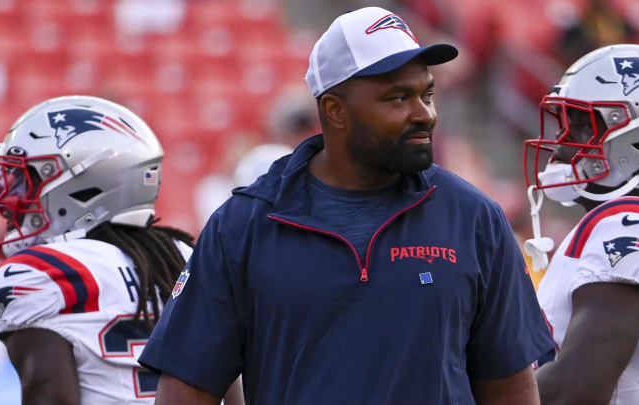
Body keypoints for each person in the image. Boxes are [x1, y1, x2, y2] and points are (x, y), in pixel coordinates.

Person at [139, 6, 554, 405]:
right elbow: (187, 388)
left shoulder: (475, 218)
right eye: (398, 98)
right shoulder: (243, 225)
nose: (424, 114)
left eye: (427, 93)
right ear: (335, 110)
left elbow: (509, 388)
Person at [522, 44, 639, 404]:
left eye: (581, 127)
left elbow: (576, 389)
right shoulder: (627, 224)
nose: (561, 145)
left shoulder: (636, 225)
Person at [0, 95, 201, 404]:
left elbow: (50, 396)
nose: (10, 199)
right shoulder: (184, 257)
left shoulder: (40, 273)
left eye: (28, 179)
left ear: (87, 184)